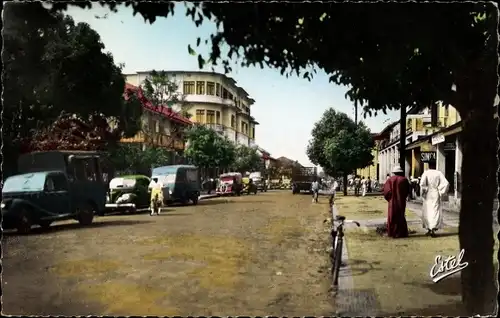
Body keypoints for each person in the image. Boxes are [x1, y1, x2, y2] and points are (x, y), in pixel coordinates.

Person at [419, 162, 449, 237]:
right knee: (435, 210)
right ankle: (433, 228)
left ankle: (429, 228)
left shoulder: (426, 173)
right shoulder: (438, 173)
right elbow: (446, 183)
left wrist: (423, 192)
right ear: (435, 166)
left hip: (428, 193)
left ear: (429, 166)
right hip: (435, 193)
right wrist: (441, 191)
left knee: (428, 210)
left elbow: (422, 184)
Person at [383, 166, 411, 238]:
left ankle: (392, 232)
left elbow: (386, 192)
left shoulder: (390, 180)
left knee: (392, 216)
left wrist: (390, 199)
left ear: (394, 172)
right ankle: (400, 232)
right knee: (401, 215)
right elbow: (407, 191)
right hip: (401, 201)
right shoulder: (404, 180)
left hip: (392, 202)